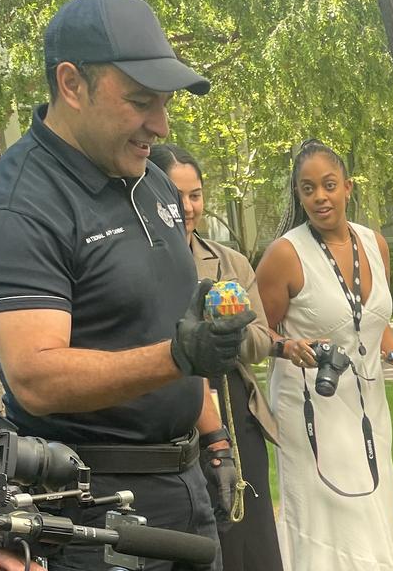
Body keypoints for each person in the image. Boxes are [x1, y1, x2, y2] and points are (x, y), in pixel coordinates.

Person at [0, 0, 255, 571]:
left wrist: (215, 440)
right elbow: (36, 376)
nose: (160, 126)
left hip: (185, 483)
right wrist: (177, 357)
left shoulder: (151, 181)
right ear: (72, 84)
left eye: (163, 104)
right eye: (140, 102)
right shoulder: (21, 205)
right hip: (87, 507)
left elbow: (174, 326)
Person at [254, 139, 393, 570]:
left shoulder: (375, 244)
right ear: (299, 196)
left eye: (328, 185)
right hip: (312, 410)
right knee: (329, 520)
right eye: (307, 189)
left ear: (348, 188)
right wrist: (288, 347)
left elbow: (372, 318)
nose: (319, 197)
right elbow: (256, 332)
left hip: (369, 408)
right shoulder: (285, 254)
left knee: (373, 510)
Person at [150, 144, 284, 571]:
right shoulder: (140, 263)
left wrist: (224, 333)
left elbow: (262, 341)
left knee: (251, 538)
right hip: (173, 423)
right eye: (176, 195)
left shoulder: (230, 264)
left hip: (236, 414)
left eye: (196, 195)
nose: (188, 207)